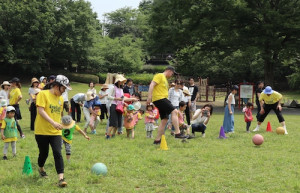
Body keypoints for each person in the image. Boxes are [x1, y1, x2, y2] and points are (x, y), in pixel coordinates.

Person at [34, 75, 71, 187]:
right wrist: (53, 123)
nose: (64, 91)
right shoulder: (42, 94)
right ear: (56, 86)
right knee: (44, 153)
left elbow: (58, 114)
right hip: (42, 131)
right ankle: (41, 168)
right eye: (63, 88)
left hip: (55, 132)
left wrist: (60, 123)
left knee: (58, 152)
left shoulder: (60, 99)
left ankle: (61, 178)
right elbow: (41, 111)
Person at [147, 66, 187, 145]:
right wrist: (149, 97)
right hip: (160, 98)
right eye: (172, 73)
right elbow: (152, 85)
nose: (172, 75)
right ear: (169, 71)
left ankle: (157, 140)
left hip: (162, 99)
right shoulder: (159, 75)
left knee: (164, 120)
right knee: (175, 111)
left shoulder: (165, 79)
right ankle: (177, 133)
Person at [107, 74, 138, 139]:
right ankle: (108, 135)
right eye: (121, 81)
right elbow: (108, 96)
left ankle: (113, 135)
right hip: (113, 105)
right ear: (118, 81)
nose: (122, 82)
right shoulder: (113, 87)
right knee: (113, 122)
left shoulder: (121, 89)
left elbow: (123, 98)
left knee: (118, 122)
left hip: (120, 106)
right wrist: (117, 98)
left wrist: (127, 102)